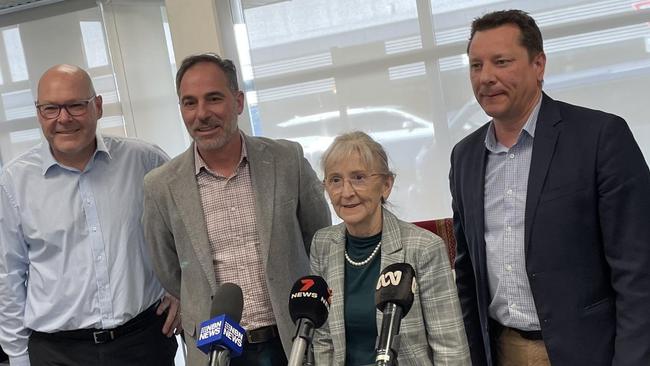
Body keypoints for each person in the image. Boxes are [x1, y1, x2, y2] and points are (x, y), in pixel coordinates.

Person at [450, 9, 650, 366]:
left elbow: (638, 270)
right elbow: (467, 275)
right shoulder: (465, 157)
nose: (486, 77)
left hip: (591, 353)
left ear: (538, 64)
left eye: (501, 62)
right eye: (476, 65)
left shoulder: (600, 138)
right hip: (502, 350)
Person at [142, 53, 331, 366]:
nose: (201, 114)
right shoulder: (160, 186)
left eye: (213, 98)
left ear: (238, 101)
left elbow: (320, 241)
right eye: (189, 103)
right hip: (216, 350)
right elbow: (170, 271)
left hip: (292, 340)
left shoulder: (287, 160)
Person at [0, 64, 180, 366]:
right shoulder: (14, 182)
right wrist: (18, 357)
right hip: (58, 353)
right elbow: (7, 276)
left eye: (75, 105)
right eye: (51, 108)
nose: (64, 118)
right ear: (38, 112)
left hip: (143, 342)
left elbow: (188, 231)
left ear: (97, 106)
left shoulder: (145, 161)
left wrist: (181, 288)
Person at [310, 131, 471, 365]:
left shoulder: (423, 248)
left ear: (386, 185)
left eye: (358, 178)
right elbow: (323, 339)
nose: (346, 192)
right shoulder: (323, 244)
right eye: (335, 180)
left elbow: (450, 347)